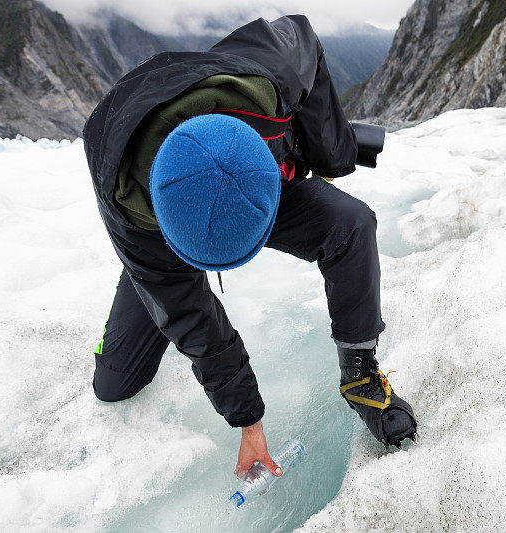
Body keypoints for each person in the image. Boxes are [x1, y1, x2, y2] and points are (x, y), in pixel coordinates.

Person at [82, 15, 417, 480]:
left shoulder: (270, 74)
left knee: (351, 223)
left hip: (249, 175)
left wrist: (330, 151)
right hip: (156, 236)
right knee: (115, 383)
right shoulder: (123, 194)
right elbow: (193, 317)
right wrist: (247, 418)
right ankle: (144, 276)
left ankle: (360, 373)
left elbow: (305, 34)